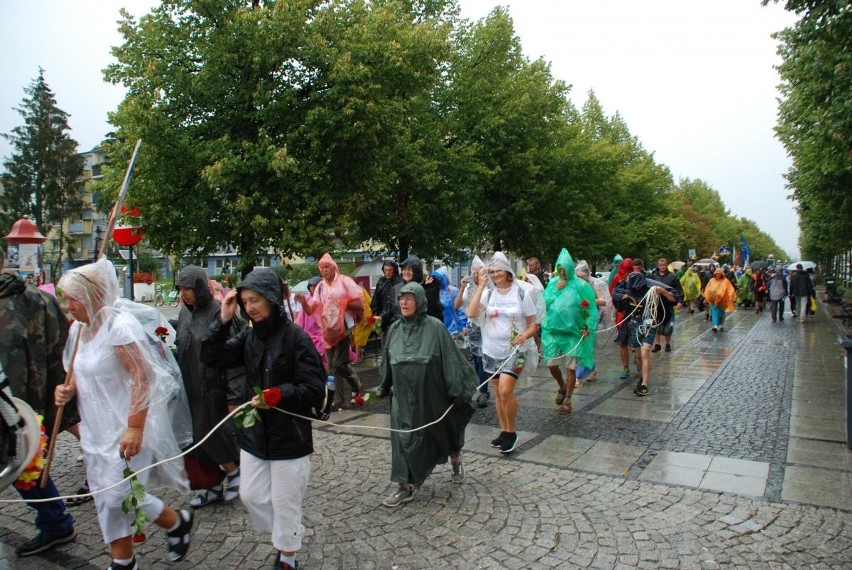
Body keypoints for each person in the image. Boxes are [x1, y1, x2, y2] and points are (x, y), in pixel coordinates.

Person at [54, 258, 193, 570]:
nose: (68, 306)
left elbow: (142, 377)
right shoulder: (78, 329)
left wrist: (134, 427)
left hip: (124, 429)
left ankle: (176, 521)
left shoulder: (119, 327)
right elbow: (77, 370)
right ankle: (124, 561)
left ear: (93, 296)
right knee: (106, 502)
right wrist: (67, 389)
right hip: (95, 432)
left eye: (72, 299)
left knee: (119, 495)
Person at [201, 268, 326, 570]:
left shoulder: (297, 338)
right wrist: (222, 320)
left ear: (272, 298)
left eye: (255, 300)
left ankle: (287, 556)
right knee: (251, 495)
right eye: (245, 301)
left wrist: (279, 394)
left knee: (285, 501)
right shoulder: (249, 335)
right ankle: (289, 533)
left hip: (289, 435)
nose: (250, 307)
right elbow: (212, 357)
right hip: (255, 433)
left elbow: (314, 388)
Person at [0, 248, 79, 557]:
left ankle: (55, 522)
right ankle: (55, 521)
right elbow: (66, 343)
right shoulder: (39, 296)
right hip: (41, 397)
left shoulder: (9, 305)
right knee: (26, 462)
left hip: (12, 403)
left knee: (20, 464)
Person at [376, 282, 478, 507]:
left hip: (432, 397)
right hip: (402, 399)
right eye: (401, 298)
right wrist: (383, 387)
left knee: (445, 430)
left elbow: (452, 361)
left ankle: (455, 458)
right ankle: (405, 485)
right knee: (403, 439)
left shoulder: (435, 328)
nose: (404, 302)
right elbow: (388, 361)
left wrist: (464, 392)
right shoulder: (393, 330)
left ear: (420, 301)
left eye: (409, 298)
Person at [174, 265, 244, 508]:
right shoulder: (184, 314)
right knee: (196, 437)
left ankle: (235, 472)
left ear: (200, 288)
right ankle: (211, 482)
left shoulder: (220, 312)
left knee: (218, 435)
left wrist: (234, 394)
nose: (184, 294)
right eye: (181, 289)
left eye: (189, 289)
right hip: (191, 386)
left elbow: (235, 355)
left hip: (216, 386)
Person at [466, 252, 538, 454]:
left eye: (499, 270)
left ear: (508, 272)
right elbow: (471, 313)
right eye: (492, 271)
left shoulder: (521, 293)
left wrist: (524, 335)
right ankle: (504, 431)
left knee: (506, 390)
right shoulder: (488, 294)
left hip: (516, 350)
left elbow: (534, 325)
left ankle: (512, 432)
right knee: (498, 393)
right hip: (491, 350)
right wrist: (480, 286)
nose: (495, 274)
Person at [297, 253, 364, 411]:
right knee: (332, 368)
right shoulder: (320, 287)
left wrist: (341, 302)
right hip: (327, 330)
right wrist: (302, 303)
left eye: (326, 267)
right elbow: (311, 308)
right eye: (321, 268)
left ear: (333, 267)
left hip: (344, 327)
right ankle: (338, 400)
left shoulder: (345, 281)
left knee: (339, 363)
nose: (324, 271)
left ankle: (356, 384)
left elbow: (360, 304)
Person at [542, 250, 597, 414]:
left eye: (565, 268)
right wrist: (554, 290)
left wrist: (588, 326)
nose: (563, 272)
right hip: (553, 332)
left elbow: (590, 307)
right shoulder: (553, 284)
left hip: (574, 333)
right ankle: (562, 386)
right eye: (560, 269)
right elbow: (543, 305)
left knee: (571, 368)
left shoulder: (581, 286)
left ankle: (568, 399)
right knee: (551, 365)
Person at [612, 259, 678, 397]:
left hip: (649, 323)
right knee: (637, 355)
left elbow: (674, 297)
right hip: (634, 323)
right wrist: (625, 296)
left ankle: (644, 385)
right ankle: (642, 376)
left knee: (645, 352)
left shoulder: (651, 287)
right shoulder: (627, 285)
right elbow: (615, 293)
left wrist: (663, 292)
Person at [455, 256, 491, 408]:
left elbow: (473, 312)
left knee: (483, 360)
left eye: (477, 272)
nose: (474, 275)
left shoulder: (487, 291)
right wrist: (462, 287)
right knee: (476, 359)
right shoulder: (469, 289)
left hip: (484, 327)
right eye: (473, 272)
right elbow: (456, 305)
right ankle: (482, 387)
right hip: (472, 328)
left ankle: (483, 390)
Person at [649, 257, 684, 353]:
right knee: (656, 324)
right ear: (658, 265)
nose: (662, 267)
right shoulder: (653, 276)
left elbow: (679, 290)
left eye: (664, 265)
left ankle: (668, 344)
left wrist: (680, 301)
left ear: (666, 265)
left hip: (668, 304)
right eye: (660, 265)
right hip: (656, 304)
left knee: (668, 326)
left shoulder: (673, 277)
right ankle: (657, 344)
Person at [609, 258, 634, 380]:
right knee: (623, 342)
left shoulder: (638, 278)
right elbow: (612, 293)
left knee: (636, 342)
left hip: (635, 314)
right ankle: (625, 367)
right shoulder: (616, 278)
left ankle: (638, 360)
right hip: (622, 314)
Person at [370, 260, 403, 340]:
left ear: (394, 270)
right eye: (385, 270)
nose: (387, 272)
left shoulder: (399, 283)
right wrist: (375, 313)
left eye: (390, 270)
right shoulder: (381, 281)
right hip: (382, 318)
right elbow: (375, 299)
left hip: (396, 317)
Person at [703, 267, 737, 332]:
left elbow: (730, 289)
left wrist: (730, 296)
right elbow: (707, 289)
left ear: (721, 274)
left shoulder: (725, 281)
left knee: (722, 314)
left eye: (719, 274)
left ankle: (721, 325)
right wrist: (706, 297)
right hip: (713, 300)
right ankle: (715, 325)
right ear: (714, 274)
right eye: (716, 274)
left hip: (722, 301)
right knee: (714, 312)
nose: (718, 275)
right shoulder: (711, 280)